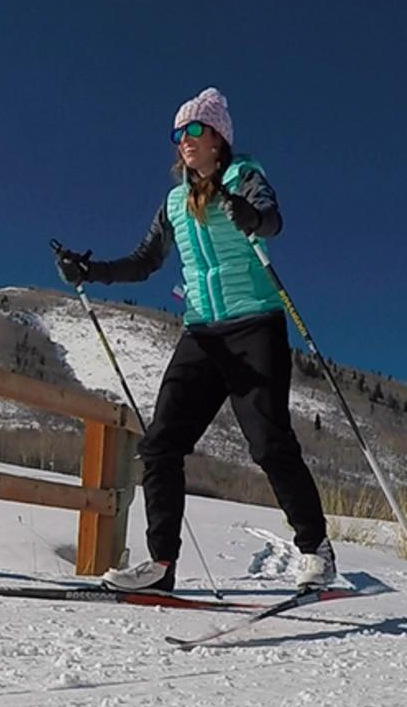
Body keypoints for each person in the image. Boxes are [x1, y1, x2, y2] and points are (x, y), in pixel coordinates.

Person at [56, 87, 336, 592]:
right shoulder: (174, 204)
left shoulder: (243, 178)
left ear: (217, 138)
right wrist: (89, 270)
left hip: (254, 325)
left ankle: (315, 548)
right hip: (202, 333)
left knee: (268, 442)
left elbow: (272, 219)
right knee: (161, 444)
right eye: (176, 133)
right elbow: (144, 262)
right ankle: (161, 566)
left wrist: (252, 218)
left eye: (192, 130)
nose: (182, 141)